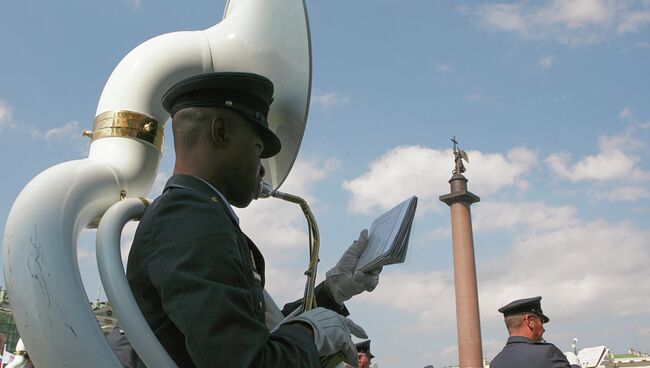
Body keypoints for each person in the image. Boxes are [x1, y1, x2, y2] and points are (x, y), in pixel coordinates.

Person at [127, 72, 381, 367]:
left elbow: (251, 333)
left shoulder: (196, 213)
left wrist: (334, 292)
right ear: (220, 132)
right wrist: (311, 332)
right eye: (258, 148)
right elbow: (249, 361)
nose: (262, 170)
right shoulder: (191, 219)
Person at [490, 296, 572, 368]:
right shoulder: (547, 353)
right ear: (530, 321)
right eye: (541, 321)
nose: (543, 329)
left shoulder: (496, 363)